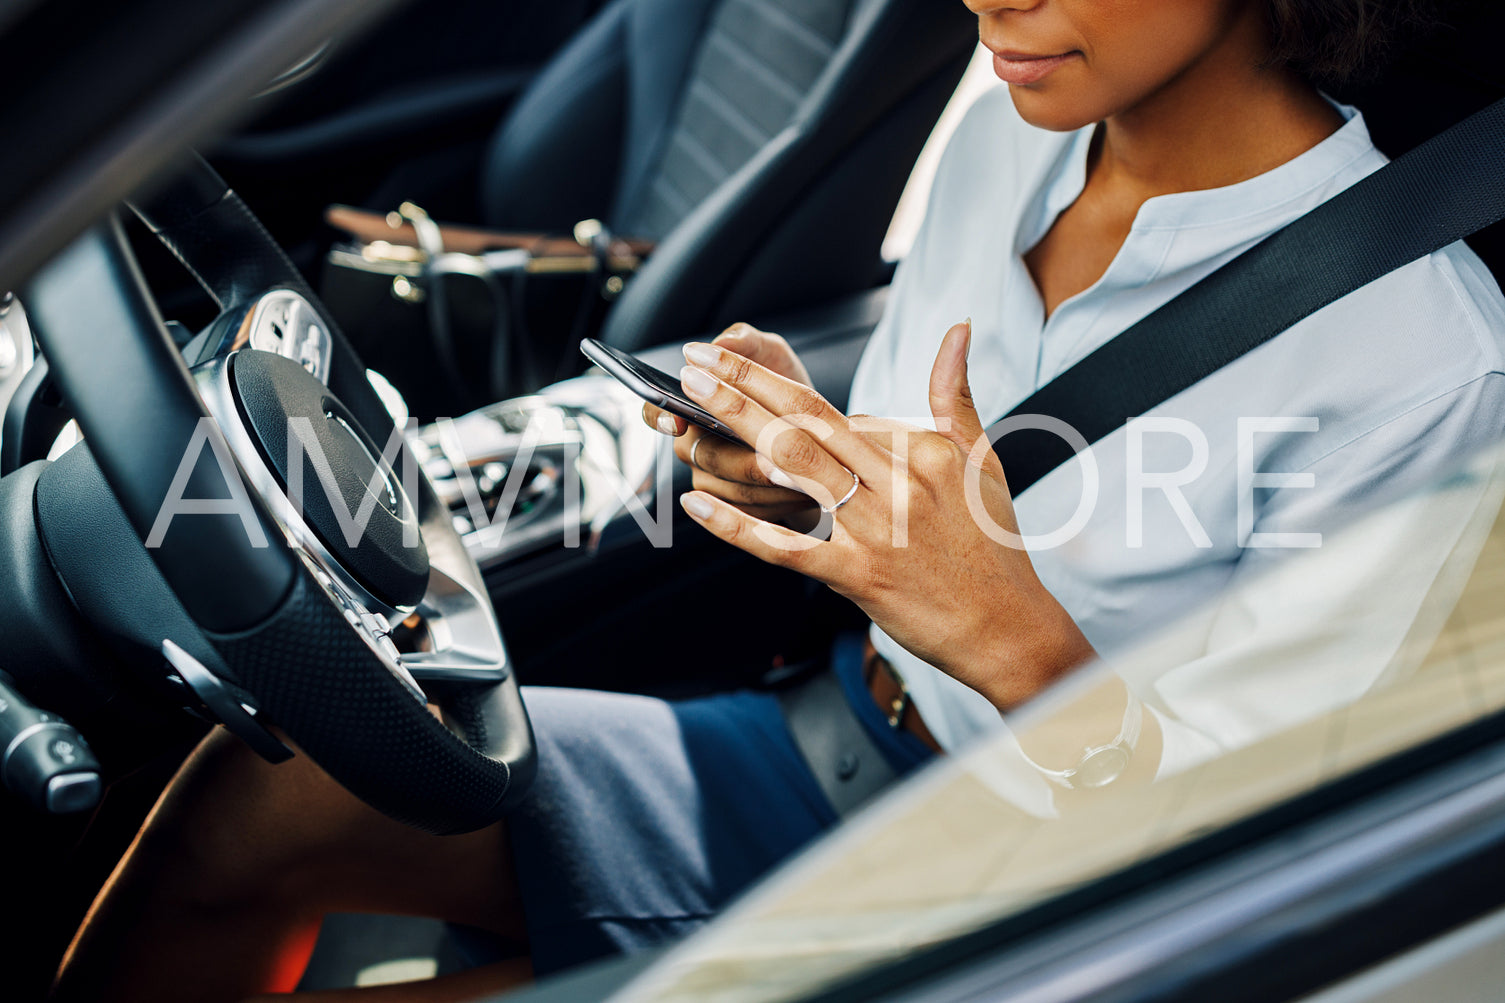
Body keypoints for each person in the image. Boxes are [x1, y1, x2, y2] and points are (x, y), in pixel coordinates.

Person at [53, 0, 1504, 1000]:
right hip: (823, 741)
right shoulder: (1010, 131)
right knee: (267, 791)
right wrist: (801, 474)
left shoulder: (1414, 363)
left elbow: (1270, 861)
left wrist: (1012, 636)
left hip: (1024, 890)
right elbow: (909, 482)